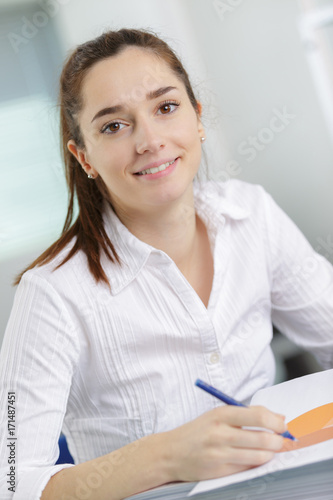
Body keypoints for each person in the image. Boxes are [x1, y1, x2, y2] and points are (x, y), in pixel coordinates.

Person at [0, 27, 332, 500]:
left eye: (166, 107)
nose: (150, 140)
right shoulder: (52, 293)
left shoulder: (252, 215)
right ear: (84, 156)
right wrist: (167, 456)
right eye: (114, 126)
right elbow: (10, 481)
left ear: (197, 119)